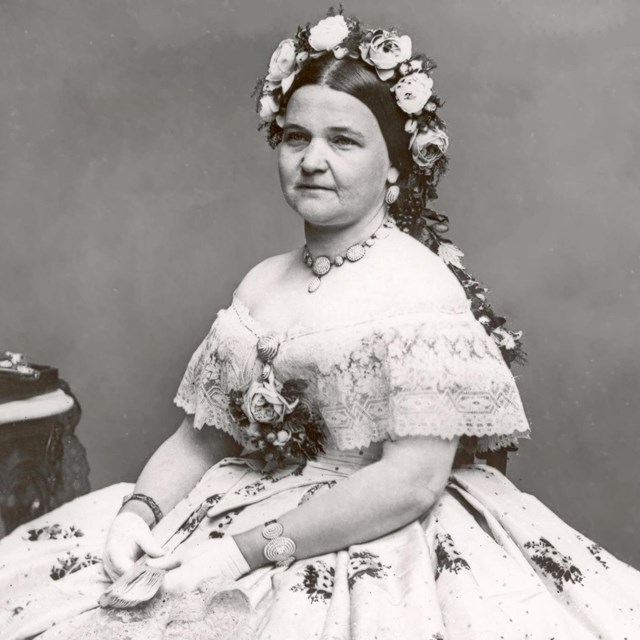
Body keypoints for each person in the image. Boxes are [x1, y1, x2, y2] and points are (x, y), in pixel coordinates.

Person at [1, 8, 640, 639]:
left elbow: (411, 482)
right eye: (296, 137)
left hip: (368, 532)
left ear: (395, 167)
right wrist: (138, 513)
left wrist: (241, 553)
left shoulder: (416, 286)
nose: (311, 159)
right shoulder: (260, 280)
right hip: (237, 504)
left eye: (344, 140)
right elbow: (202, 440)